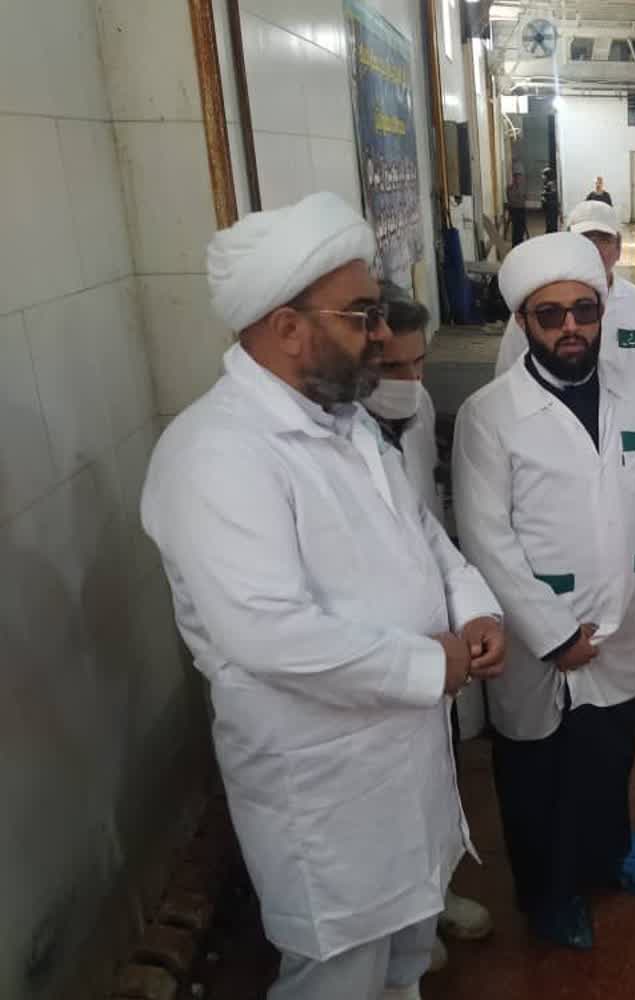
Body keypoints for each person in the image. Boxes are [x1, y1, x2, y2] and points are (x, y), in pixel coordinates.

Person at [140, 192, 506, 1000]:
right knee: (340, 976)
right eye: (361, 315)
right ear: (286, 327)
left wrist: (473, 606)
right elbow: (267, 633)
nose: (381, 332)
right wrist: (432, 665)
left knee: (405, 961)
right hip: (326, 787)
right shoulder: (217, 453)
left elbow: (423, 535)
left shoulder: (346, 424)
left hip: (402, 761)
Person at [452, 232, 635, 950]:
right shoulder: (490, 415)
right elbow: (486, 540)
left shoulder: (628, 395)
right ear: (523, 322)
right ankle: (549, 894)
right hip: (539, 635)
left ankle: (611, 851)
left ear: (602, 310)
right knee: (537, 770)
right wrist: (553, 635)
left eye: (584, 310)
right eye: (550, 315)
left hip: (616, 618)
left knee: (611, 749)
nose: (570, 328)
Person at [361, 284, 494, 972]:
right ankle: (393, 926)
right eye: (392, 368)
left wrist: (469, 610)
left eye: (418, 364)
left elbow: (426, 527)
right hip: (372, 660)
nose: (409, 383)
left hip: (432, 636)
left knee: (437, 777)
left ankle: (432, 896)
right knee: (378, 808)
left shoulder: (412, 418)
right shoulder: (331, 440)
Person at [494, 198, 635, 692]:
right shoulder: (531, 314)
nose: (594, 248)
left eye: (603, 239)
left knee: (623, 561)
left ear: (617, 246)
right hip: (549, 452)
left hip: (626, 444)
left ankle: (624, 661)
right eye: (583, 239)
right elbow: (508, 381)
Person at [506, 170, 528, 247]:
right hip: (515, 210)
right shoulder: (510, 188)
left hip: (522, 210)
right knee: (516, 229)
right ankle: (515, 245)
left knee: (522, 228)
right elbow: (512, 200)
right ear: (514, 179)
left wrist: (520, 198)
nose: (519, 180)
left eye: (520, 178)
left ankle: (520, 244)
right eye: (517, 178)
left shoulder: (523, 188)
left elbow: (525, 198)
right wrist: (520, 198)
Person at [541, 165, 560, 234]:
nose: (542, 176)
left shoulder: (551, 184)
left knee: (551, 223)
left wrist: (545, 194)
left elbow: (553, 194)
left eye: (544, 175)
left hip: (552, 207)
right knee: (549, 222)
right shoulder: (547, 183)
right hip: (548, 207)